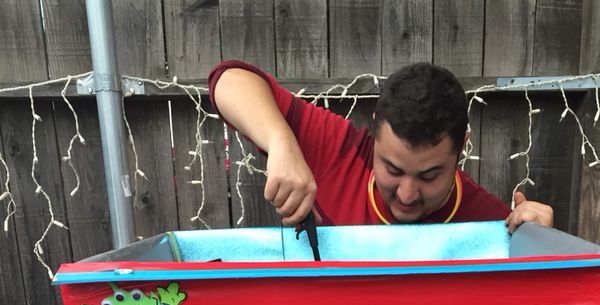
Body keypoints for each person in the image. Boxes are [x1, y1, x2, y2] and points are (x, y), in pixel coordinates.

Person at [208, 60, 554, 231]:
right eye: (392, 169)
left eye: (430, 175)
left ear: (462, 148)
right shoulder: (339, 151)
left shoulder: (489, 225)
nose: (406, 195)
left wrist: (538, 242)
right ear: (373, 133)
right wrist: (282, 143)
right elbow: (228, 80)